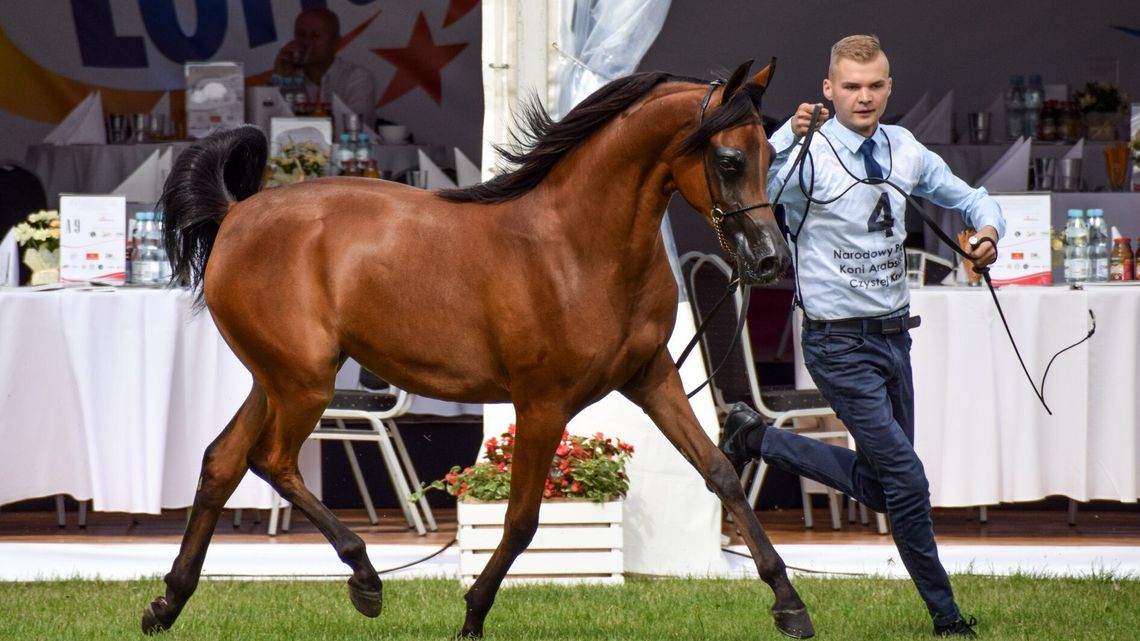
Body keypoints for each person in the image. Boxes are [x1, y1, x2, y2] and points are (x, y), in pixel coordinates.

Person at [719, 35, 1003, 638]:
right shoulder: (808, 153)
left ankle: (757, 437)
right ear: (829, 89)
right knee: (907, 479)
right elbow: (753, 186)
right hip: (836, 345)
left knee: (882, 485)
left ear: (889, 88)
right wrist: (787, 136)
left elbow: (972, 198)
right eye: (851, 87)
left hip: (895, 341)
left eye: (875, 86)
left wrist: (988, 233)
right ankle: (947, 618)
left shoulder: (905, 148)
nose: (864, 97)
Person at [273, 8, 376, 121]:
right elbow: (269, 123)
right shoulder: (289, 79)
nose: (306, 42)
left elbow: (354, 124)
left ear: (336, 43)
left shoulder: (356, 78)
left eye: (316, 35)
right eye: (301, 35)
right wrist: (278, 78)